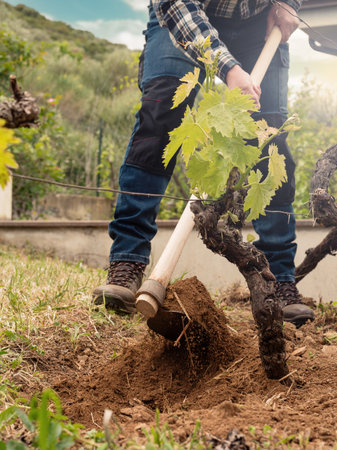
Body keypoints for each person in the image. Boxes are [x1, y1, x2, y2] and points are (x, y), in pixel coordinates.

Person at [93, 0, 315, 328]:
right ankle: (126, 263)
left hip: (258, 22)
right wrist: (228, 69)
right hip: (184, 18)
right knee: (159, 119)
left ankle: (279, 281)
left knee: (268, 139)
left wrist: (287, 3)